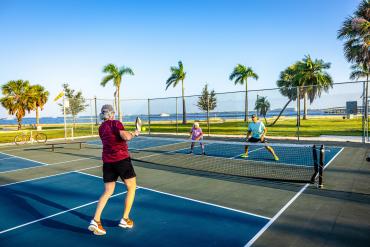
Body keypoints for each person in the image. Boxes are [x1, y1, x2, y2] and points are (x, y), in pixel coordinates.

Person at [88, 105, 139, 235]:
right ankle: (125, 219)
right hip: (121, 160)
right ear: (111, 114)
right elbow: (126, 137)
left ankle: (96, 220)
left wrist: (129, 133)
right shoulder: (115, 123)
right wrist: (133, 133)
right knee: (132, 187)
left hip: (107, 162)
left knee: (108, 191)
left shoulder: (101, 128)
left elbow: (114, 138)